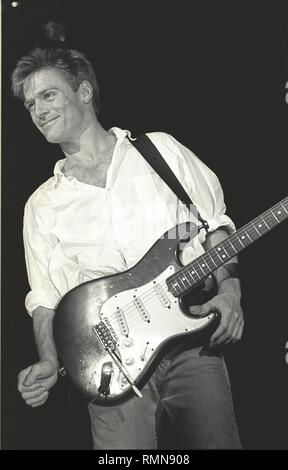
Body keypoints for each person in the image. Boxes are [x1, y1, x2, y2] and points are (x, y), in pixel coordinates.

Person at [12, 48, 243, 449]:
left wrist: (230, 292)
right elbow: (46, 298)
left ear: (84, 91)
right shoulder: (41, 204)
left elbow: (215, 226)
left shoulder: (160, 153)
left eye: (48, 95)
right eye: (30, 103)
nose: (37, 110)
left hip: (192, 341)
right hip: (109, 365)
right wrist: (50, 360)